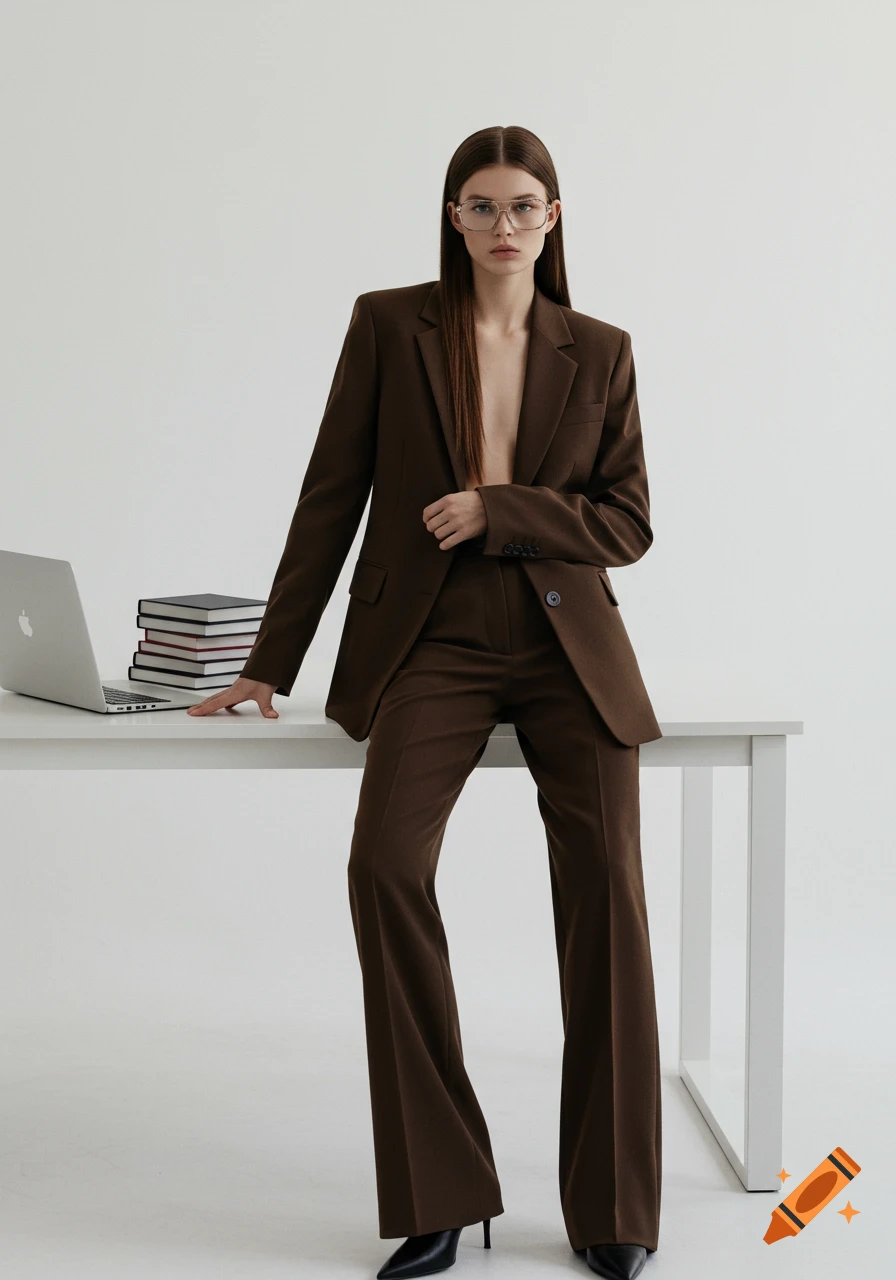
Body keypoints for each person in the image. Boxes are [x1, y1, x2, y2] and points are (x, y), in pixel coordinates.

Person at [188, 124, 663, 1280]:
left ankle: (611, 1206)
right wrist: (271, 658)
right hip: (432, 640)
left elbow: (626, 521)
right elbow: (330, 489)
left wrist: (502, 508)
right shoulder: (388, 323)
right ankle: (442, 1192)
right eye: (480, 205)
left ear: (555, 217)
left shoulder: (597, 348)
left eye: (524, 206)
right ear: (450, 216)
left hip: (567, 647)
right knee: (384, 866)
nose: (503, 226)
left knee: (605, 892)